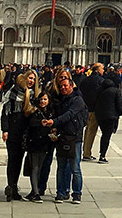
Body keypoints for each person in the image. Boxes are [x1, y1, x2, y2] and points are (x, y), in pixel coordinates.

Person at [48, 71, 88, 203]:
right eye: (61, 86)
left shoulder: (78, 100)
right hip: (62, 136)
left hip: (75, 137)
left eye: (66, 85)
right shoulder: (60, 100)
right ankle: (61, 192)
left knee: (75, 167)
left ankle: (77, 193)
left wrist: (54, 122)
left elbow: (69, 115)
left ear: (72, 85)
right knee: (61, 167)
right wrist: (54, 127)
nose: (63, 88)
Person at [1, 69, 38, 201]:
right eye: (30, 78)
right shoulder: (13, 92)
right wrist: (5, 130)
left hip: (26, 134)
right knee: (13, 160)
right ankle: (11, 186)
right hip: (13, 131)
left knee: (20, 160)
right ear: (24, 78)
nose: (31, 81)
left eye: (33, 79)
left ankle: (15, 186)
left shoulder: (35, 95)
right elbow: (5, 112)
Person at [23, 90, 54, 202]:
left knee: (40, 167)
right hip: (34, 142)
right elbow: (30, 124)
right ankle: (36, 193)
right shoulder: (34, 111)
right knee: (35, 167)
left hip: (45, 143)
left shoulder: (51, 113)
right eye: (41, 99)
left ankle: (34, 191)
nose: (42, 101)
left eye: (45, 99)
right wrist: (39, 123)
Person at [94, 67, 122, 163]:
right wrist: (119, 113)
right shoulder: (115, 90)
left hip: (100, 116)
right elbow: (119, 105)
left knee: (104, 134)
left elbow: (95, 102)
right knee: (107, 136)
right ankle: (102, 155)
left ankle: (102, 153)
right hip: (111, 117)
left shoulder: (99, 89)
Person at [78, 63, 105, 161]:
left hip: (85, 108)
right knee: (91, 131)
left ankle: (85, 150)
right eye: (102, 68)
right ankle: (86, 153)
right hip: (94, 109)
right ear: (97, 70)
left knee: (86, 130)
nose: (103, 70)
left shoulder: (85, 80)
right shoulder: (101, 81)